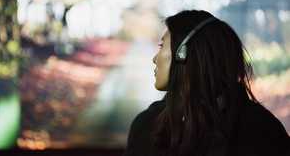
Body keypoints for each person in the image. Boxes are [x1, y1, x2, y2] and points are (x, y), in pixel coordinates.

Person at [123, 10, 290, 156]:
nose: (154, 58)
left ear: (183, 54)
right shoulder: (147, 125)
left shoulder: (260, 131)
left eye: (162, 46)